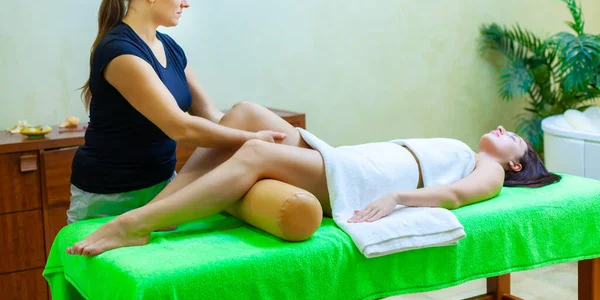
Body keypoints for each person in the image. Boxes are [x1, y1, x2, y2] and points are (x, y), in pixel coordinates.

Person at [66, 104, 561, 256]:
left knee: (256, 149)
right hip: (349, 158)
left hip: (359, 179)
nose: (503, 131)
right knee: (243, 114)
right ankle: (170, 211)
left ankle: (138, 221)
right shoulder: (467, 151)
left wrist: (397, 197)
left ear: (517, 164)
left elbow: (455, 195)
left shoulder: (491, 170)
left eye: (513, 138)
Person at [68, 0, 287, 224]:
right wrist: (252, 141)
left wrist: (258, 133)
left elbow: (210, 115)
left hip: (163, 185)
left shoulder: (170, 48)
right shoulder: (120, 52)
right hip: (109, 196)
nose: (186, 3)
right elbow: (180, 126)